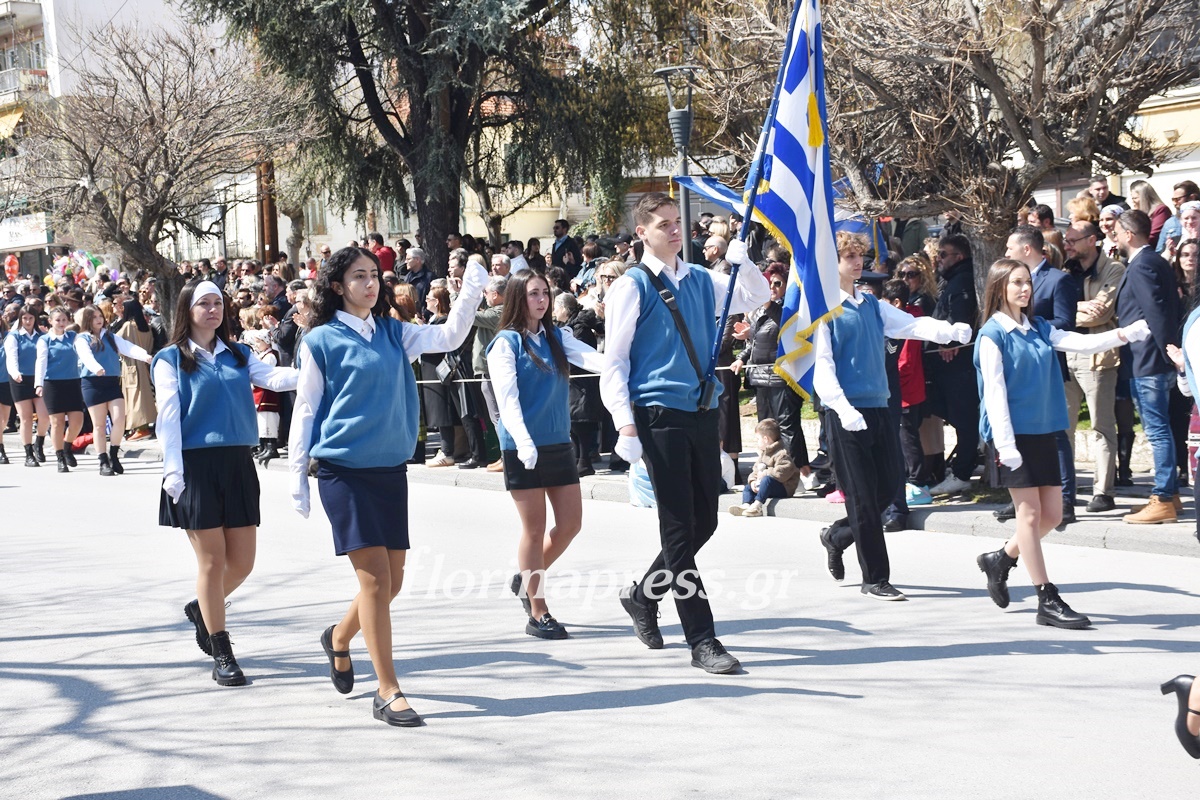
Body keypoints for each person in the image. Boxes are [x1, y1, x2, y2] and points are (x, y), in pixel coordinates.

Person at [289, 247, 488, 728]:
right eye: (358, 276)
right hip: (343, 471)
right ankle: (388, 690)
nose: (370, 283)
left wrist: (471, 288)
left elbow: (451, 334)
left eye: (374, 275)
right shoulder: (320, 340)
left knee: (391, 582)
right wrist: (297, 476)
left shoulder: (395, 332)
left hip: (389, 472)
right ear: (337, 285)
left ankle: (339, 638)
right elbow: (306, 408)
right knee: (376, 581)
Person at [600, 191, 770, 674]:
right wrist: (624, 423)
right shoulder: (631, 286)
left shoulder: (699, 277)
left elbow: (755, 297)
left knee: (704, 523)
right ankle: (702, 639)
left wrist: (745, 263)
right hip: (657, 414)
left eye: (677, 222)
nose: (675, 230)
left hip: (701, 409)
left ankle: (641, 594)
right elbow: (615, 361)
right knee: (677, 527)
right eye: (664, 224)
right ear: (642, 233)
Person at [972, 258, 1150, 629]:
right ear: (999, 287)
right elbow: (995, 394)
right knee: (1029, 516)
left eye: (1027, 282)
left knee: (1052, 516)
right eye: (1016, 282)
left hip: (1044, 430)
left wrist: (1124, 334)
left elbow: (1080, 343)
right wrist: (1006, 447)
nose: (1025, 288)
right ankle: (1046, 598)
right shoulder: (992, 335)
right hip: (1012, 437)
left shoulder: (1037, 327)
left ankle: (1001, 558)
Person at [154, 281, 298, 687]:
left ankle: (202, 607)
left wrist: (316, 370)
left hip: (237, 463)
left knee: (243, 563)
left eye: (218, 302)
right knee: (212, 563)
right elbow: (168, 416)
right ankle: (222, 651)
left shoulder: (239, 354)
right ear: (187, 309)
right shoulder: (170, 359)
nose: (213, 309)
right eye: (204, 303)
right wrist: (173, 470)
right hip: (195, 465)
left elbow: (274, 378)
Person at [814, 232, 972, 601]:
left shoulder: (871, 304)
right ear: (831, 262)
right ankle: (875, 578)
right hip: (846, 413)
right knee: (862, 497)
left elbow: (911, 325)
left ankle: (837, 535)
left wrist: (948, 331)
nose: (858, 262)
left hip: (879, 407)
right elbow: (821, 366)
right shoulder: (824, 311)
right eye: (849, 256)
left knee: (887, 489)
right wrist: (842, 407)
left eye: (860, 255)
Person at [487, 272, 605, 639]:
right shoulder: (506, 343)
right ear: (517, 298)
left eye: (545, 293)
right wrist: (523, 442)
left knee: (570, 525)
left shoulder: (556, 336)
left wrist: (629, 364)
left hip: (557, 442)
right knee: (534, 529)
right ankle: (538, 612)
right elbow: (507, 399)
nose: (541, 300)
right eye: (533, 294)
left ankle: (526, 578)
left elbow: (594, 360)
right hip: (522, 446)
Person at [1001, 225, 1082, 526]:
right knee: (1024, 433)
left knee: (1056, 435)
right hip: (1020, 370)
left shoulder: (1058, 279)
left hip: (1047, 368)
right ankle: (1023, 496)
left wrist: (1030, 324)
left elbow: (1066, 321)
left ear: (1026, 249)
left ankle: (1066, 498)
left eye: (1010, 247)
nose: (1006, 252)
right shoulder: (1010, 280)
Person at [1115, 209, 1183, 523]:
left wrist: (1167, 350)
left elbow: (1154, 310)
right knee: (1162, 428)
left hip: (1148, 360)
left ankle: (1163, 497)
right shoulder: (1155, 261)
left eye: (1118, 232)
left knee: (1157, 432)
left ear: (1129, 234)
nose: (1115, 238)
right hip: (1155, 359)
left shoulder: (1142, 264)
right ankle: (1171, 494)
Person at [1061, 221, 1125, 513]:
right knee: (1064, 427)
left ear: (1091, 240)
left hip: (1097, 354)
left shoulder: (1113, 269)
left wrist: (1069, 309)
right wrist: (1079, 307)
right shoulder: (1066, 270)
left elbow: (1101, 313)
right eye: (1066, 240)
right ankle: (1067, 490)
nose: (1067, 245)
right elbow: (1051, 310)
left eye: (1073, 240)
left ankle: (1103, 491)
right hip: (1066, 352)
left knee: (1101, 424)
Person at [729, 263, 813, 487]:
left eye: (777, 283)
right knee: (766, 427)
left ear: (786, 286)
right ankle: (772, 469)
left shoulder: (788, 309)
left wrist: (766, 301)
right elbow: (754, 342)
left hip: (780, 377)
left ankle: (800, 471)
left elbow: (783, 323)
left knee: (786, 425)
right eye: (769, 283)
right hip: (759, 376)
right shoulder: (758, 311)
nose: (773, 288)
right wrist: (741, 358)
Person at [924, 234, 980, 496]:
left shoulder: (962, 279)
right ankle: (964, 462)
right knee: (956, 415)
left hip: (956, 363)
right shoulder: (952, 279)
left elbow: (960, 316)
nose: (939, 259)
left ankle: (962, 472)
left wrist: (951, 342)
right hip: (948, 364)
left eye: (944, 254)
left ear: (959, 256)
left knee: (964, 418)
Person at [74, 305, 152, 475]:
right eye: (94, 317)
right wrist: (96, 368)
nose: (98, 320)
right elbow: (86, 356)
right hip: (92, 383)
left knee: (119, 419)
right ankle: (103, 461)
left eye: (100, 316)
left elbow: (128, 347)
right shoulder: (82, 338)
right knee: (99, 425)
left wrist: (145, 356)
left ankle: (114, 454)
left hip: (111, 382)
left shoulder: (110, 336)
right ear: (87, 320)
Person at [729, 418, 799, 517]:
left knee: (767, 480)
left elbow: (783, 472)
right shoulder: (764, 453)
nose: (757, 442)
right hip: (765, 486)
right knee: (748, 487)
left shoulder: (782, 453)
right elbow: (756, 469)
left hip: (784, 487)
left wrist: (765, 473)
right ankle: (746, 504)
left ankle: (757, 506)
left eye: (758, 439)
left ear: (766, 439)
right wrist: (753, 481)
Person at [5, 305, 48, 465]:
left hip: (39, 379)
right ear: (20, 319)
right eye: (25, 318)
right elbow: (11, 357)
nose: (28, 321)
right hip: (20, 380)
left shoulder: (42, 336)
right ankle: (28, 453)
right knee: (26, 418)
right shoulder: (14, 336)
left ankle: (39, 442)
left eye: (31, 318)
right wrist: (15, 372)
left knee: (44, 416)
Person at [115, 298, 157, 440]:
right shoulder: (147, 327)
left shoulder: (128, 326)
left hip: (131, 365)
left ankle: (141, 429)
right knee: (145, 396)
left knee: (135, 398)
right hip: (145, 364)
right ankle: (142, 428)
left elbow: (116, 341)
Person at [1128, 180, 1172, 250]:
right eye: (1132, 198)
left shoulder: (1161, 210)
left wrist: (1133, 245)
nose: (1133, 202)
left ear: (1144, 198)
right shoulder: (1138, 214)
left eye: (1135, 198)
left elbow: (1153, 237)